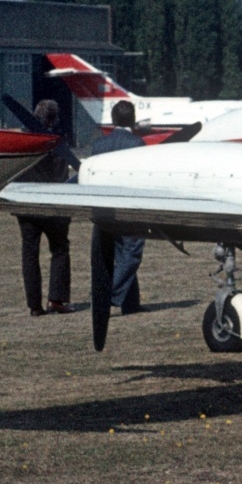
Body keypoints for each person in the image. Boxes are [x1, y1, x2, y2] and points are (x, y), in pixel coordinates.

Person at [14, 99, 77, 315]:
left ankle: (34, 305)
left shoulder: (23, 140)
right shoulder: (59, 142)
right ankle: (57, 300)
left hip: (27, 204)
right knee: (59, 249)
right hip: (54, 204)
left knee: (30, 254)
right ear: (54, 118)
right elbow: (63, 174)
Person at [87, 100, 146, 323]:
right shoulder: (137, 144)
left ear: (113, 120)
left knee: (119, 254)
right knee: (131, 253)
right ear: (132, 119)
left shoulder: (99, 145)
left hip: (104, 208)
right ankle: (109, 296)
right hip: (129, 207)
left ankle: (131, 303)